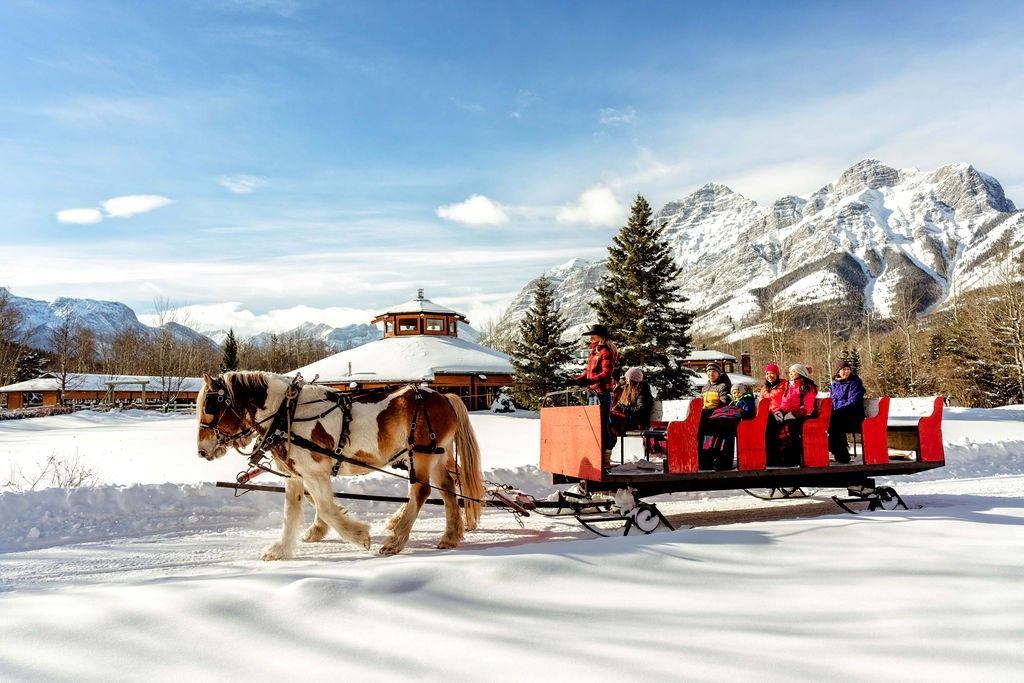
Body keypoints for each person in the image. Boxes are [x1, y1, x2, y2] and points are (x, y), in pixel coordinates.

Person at [573, 323, 618, 466]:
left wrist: (588, 380)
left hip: (602, 392)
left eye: (593, 335)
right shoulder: (594, 352)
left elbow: (606, 374)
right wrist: (577, 380)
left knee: (602, 424)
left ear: (601, 337)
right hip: (592, 392)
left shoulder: (606, 352)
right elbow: (588, 372)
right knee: (593, 424)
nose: (591, 338)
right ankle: (596, 455)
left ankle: (606, 455)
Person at [771, 364, 818, 467]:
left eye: (794, 372)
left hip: (803, 416)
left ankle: (793, 458)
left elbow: (808, 408)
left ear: (800, 372)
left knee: (792, 426)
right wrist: (779, 412)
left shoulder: (807, 386)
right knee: (772, 423)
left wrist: (792, 414)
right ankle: (774, 456)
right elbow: (784, 403)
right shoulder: (789, 386)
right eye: (790, 372)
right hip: (788, 414)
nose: (791, 374)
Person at [703, 383, 757, 470]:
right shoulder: (733, 402)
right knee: (713, 432)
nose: (736, 395)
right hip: (731, 423)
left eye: (737, 392)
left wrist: (739, 412)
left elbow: (748, 413)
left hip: (739, 424)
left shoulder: (746, 400)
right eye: (734, 393)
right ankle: (710, 455)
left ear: (742, 392)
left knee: (725, 435)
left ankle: (723, 460)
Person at [829, 360, 866, 463]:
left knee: (835, 421)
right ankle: (837, 450)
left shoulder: (855, 383)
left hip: (854, 416)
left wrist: (838, 410)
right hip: (839, 416)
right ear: (838, 371)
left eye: (848, 369)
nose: (846, 372)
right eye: (843, 369)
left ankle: (840, 453)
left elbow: (853, 401)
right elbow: (832, 401)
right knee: (829, 420)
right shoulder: (834, 385)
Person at [699, 363, 733, 468]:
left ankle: (718, 459)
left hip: (719, 418)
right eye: (708, 372)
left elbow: (724, 403)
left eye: (713, 371)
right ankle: (704, 459)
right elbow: (701, 403)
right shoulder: (705, 387)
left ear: (718, 373)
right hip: (707, 417)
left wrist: (709, 413)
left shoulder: (723, 386)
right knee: (701, 433)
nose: (710, 374)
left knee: (709, 433)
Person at [761, 363, 790, 467]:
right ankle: (768, 457)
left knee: (771, 428)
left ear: (777, 374)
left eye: (772, 373)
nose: (769, 376)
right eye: (767, 373)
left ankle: (776, 458)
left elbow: (788, 399)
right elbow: (762, 402)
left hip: (782, 412)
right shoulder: (765, 387)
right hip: (768, 414)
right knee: (763, 427)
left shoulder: (784, 384)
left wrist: (781, 411)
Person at [610, 367, 654, 436]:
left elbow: (641, 410)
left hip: (638, 423)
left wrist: (623, 409)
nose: (626, 380)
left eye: (628, 378)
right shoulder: (629, 390)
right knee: (608, 417)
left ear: (633, 380)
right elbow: (621, 404)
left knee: (610, 419)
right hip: (630, 420)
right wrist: (617, 407)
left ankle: (609, 443)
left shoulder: (642, 391)